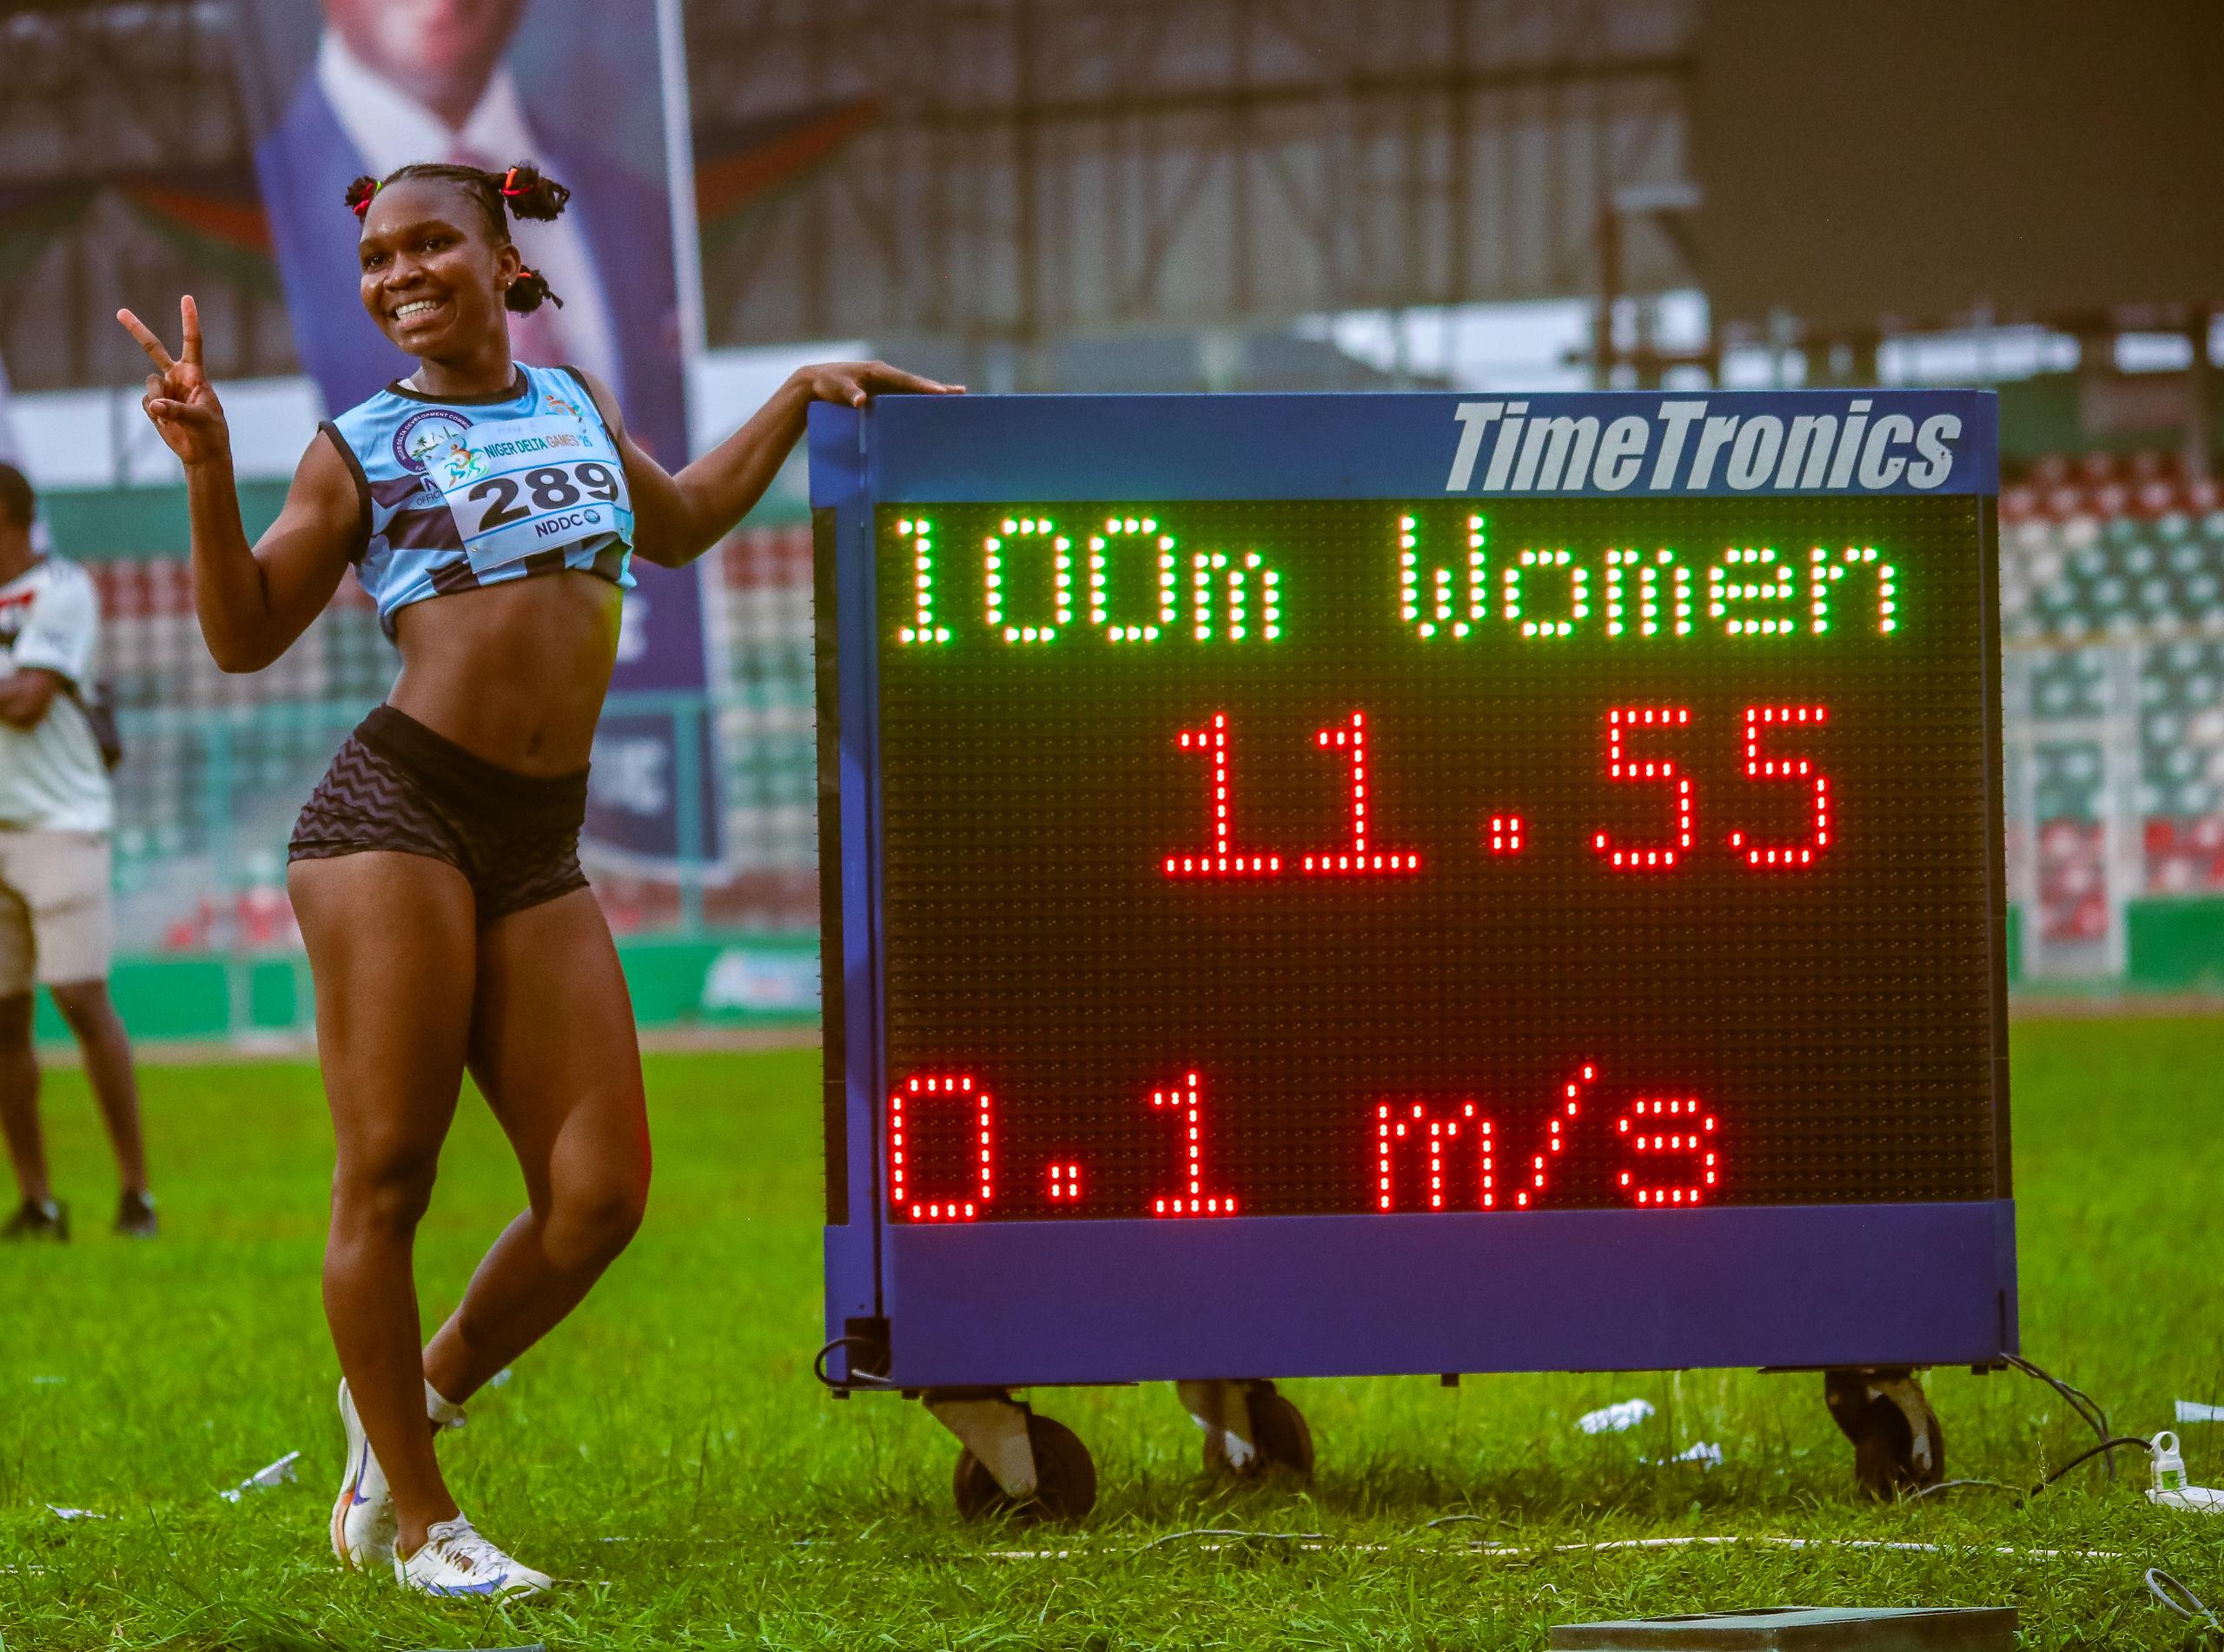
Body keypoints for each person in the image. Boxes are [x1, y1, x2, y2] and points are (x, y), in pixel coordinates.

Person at [117, 162, 953, 1596]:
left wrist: (797, 395)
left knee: (599, 1196)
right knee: (390, 1176)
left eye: (428, 245)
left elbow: (679, 525)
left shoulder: (573, 402)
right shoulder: (356, 446)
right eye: (377, 258)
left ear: (505, 259)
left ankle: (405, 1404)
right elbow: (244, 635)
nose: (398, 275)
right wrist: (207, 468)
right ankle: (422, 1527)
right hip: (395, 817)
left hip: (537, 836)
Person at [251, 0, 685, 466]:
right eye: (378, 260)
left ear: (506, 267)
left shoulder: (643, 213)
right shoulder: (249, 217)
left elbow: (682, 491)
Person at [0, 463, 156, 1243]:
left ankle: (136, 1193)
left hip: (60, 821)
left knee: (79, 998)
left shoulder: (61, 589)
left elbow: (30, 702)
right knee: (4, 1021)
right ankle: (38, 1201)